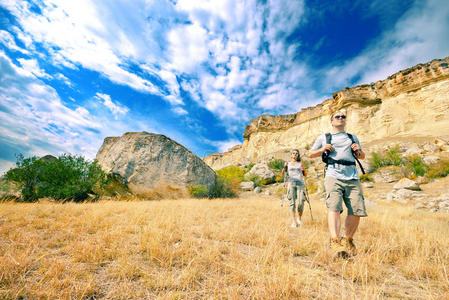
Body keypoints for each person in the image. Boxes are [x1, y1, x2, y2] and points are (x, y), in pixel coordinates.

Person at [308, 110, 367, 256]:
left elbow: (362, 156)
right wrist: (322, 149)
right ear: (332, 121)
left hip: (352, 176)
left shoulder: (352, 137)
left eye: (343, 116)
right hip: (333, 175)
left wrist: (358, 151)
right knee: (334, 206)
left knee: (357, 209)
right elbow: (310, 154)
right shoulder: (324, 137)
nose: (341, 118)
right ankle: (335, 241)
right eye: (337, 116)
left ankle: (347, 240)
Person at [281, 149, 307, 228]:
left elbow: (305, 174)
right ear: (291, 155)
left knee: (300, 202)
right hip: (291, 183)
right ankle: (293, 221)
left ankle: (299, 218)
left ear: (298, 155)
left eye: (296, 154)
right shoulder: (288, 164)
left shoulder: (300, 164)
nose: (295, 155)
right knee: (292, 203)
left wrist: (303, 171)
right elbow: (283, 174)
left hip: (300, 183)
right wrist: (284, 167)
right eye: (293, 153)